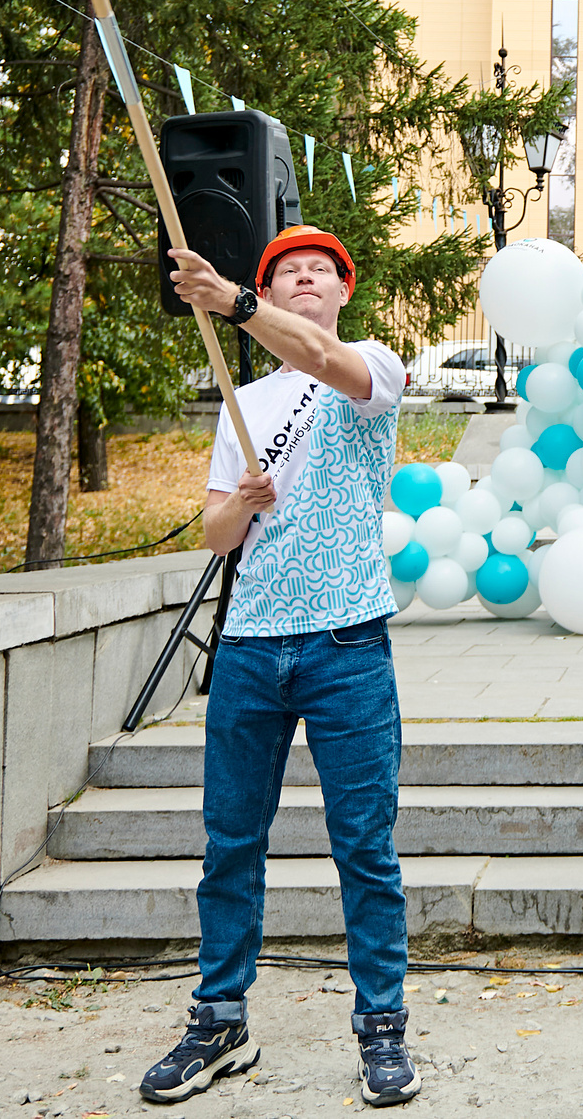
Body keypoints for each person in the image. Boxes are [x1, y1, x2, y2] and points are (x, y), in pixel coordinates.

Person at [147, 226, 422, 1106]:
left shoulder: (370, 365)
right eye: (287, 273)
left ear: (342, 292)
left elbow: (317, 359)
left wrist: (233, 295)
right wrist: (244, 502)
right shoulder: (243, 402)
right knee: (230, 843)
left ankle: (382, 1025)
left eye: (319, 273)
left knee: (364, 848)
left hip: (347, 645)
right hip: (250, 646)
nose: (304, 282)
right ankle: (220, 1019)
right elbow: (214, 533)